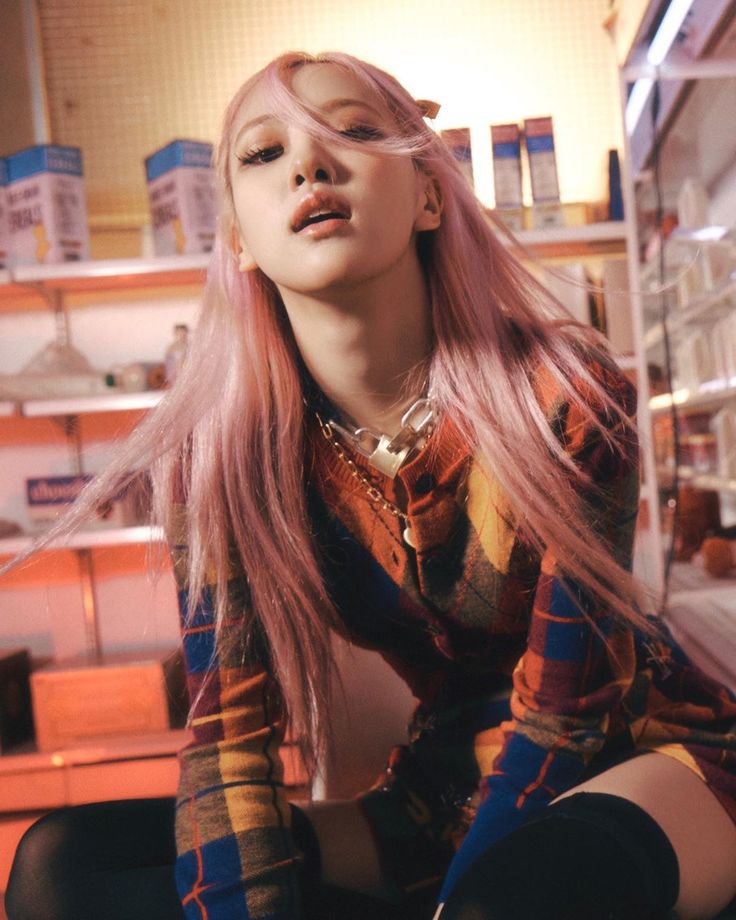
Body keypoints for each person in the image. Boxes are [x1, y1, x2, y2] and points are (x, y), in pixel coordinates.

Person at [6, 50, 736, 920]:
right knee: (63, 866)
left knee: (498, 905)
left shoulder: (559, 394)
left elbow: (564, 720)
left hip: (645, 757)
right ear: (237, 237)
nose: (309, 164)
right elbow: (226, 743)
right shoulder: (222, 462)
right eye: (263, 153)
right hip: (451, 780)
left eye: (352, 133)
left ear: (428, 197)